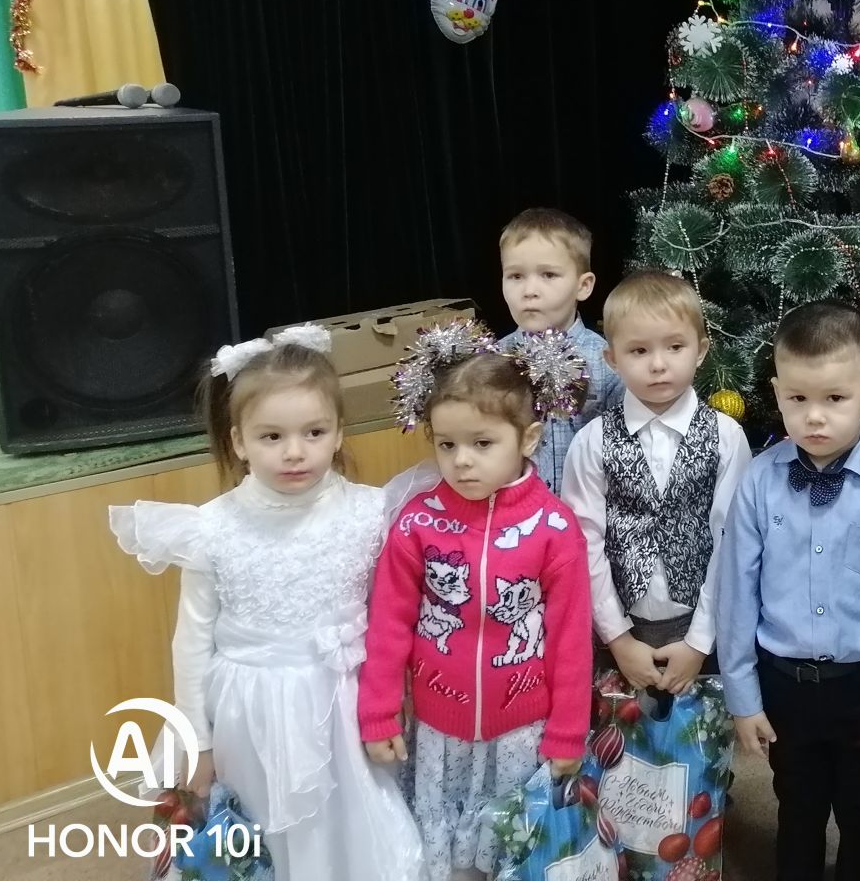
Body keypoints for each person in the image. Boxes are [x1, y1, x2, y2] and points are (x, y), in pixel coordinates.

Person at [109, 326, 423, 881]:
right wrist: (197, 743)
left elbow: (392, 618)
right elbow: (191, 643)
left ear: (338, 432)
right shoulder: (211, 529)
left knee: (352, 831)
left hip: (346, 707)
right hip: (248, 716)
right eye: (271, 436)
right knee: (261, 838)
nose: (294, 451)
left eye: (314, 432)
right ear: (238, 441)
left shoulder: (372, 513)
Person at [359, 322, 593, 881]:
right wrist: (379, 710)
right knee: (443, 859)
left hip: (522, 730)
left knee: (510, 855)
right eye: (447, 444)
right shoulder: (417, 522)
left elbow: (570, 638)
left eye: (482, 444)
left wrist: (568, 730)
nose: (461, 460)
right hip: (438, 731)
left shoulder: (554, 528)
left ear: (528, 439)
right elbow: (388, 623)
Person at [716, 302, 860, 881]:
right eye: (798, 398)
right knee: (797, 806)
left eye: (835, 398)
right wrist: (744, 696)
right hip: (783, 684)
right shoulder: (759, 481)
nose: (814, 417)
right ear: (777, 393)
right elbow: (736, 594)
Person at [562, 271, 750, 692]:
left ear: (701, 351)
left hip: (706, 631)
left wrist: (700, 641)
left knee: (702, 729)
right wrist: (618, 637)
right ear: (612, 359)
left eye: (675, 347)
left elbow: (733, 541)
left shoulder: (726, 437)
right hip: (620, 632)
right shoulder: (591, 442)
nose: (659, 364)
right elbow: (583, 542)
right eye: (639, 350)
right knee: (625, 729)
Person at [495, 208, 623, 498]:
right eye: (515, 276)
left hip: (590, 512)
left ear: (583, 286)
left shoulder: (607, 361)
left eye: (548, 275)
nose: (529, 290)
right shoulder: (493, 361)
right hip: (516, 515)